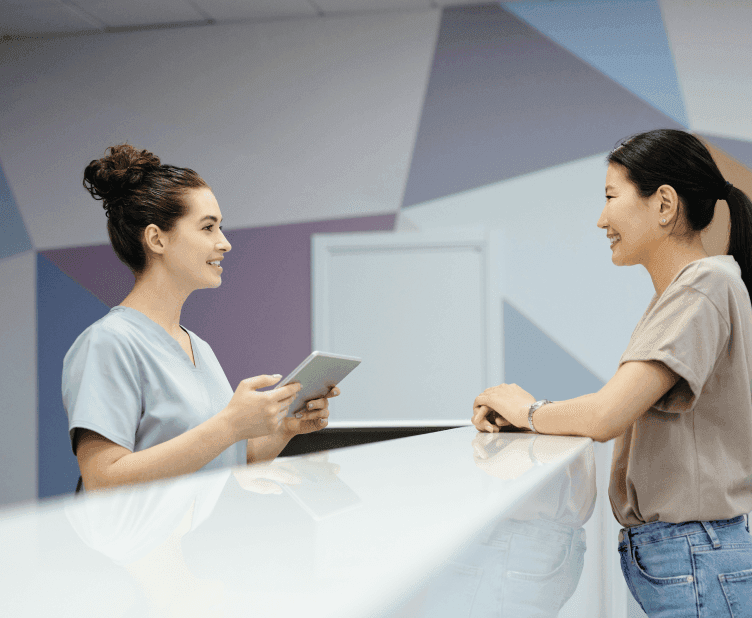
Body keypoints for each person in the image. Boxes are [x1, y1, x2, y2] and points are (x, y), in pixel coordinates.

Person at [470, 129, 752, 615]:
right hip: (689, 554)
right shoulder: (692, 290)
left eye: (610, 197)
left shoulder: (702, 286)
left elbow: (606, 416)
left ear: (664, 204)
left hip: (693, 554)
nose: (602, 219)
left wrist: (528, 409)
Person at [63, 144, 338, 493]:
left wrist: (286, 427)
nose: (224, 243)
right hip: (141, 548)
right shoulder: (108, 343)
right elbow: (102, 480)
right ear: (156, 239)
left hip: (194, 546)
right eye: (208, 228)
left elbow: (222, 459)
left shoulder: (199, 348)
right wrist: (229, 425)